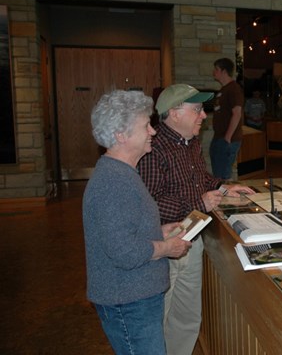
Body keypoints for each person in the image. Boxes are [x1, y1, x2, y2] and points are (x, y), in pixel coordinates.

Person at [137, 83, 254, 355]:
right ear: (175, 113)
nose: (204, 115)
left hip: (192, 238)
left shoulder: (189, 142)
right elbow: (148, 204)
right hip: (166, 242)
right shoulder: (153, 149)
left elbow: (199, 179)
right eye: (198, 110)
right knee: (160, 317)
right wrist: (197, 203)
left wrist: (224, 187)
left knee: (187, 317)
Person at [83, 90, 191, 355]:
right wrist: (167, 248)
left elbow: (127, 231)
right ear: (121, 135)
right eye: (145, 126)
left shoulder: (123, 173)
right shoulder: (113, 182)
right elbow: (125, 252)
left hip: (135, 298)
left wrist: (158, 231)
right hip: (128, 302)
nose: (153, 132)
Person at [210, 57, 244, 179]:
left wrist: (227, 137)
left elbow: (237, 113)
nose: (214, 72)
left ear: (224, 71)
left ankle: (224, 197)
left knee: (222, 177)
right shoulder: (224, 90)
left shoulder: (233, 89)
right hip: (219, 138)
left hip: (226, 140)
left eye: (216, 69)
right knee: (218, 176)